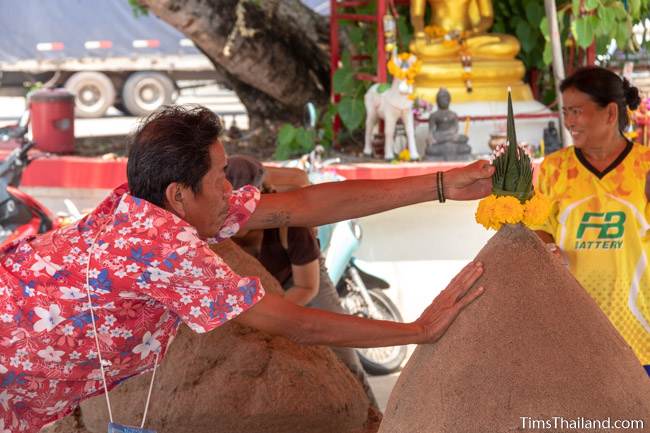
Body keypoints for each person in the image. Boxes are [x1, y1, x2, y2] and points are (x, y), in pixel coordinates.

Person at [0, 104, 493, 433]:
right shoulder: (163, 246)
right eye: (217, 175)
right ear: (179, 194)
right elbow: (293, 323)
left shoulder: (153, 205)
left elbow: (297, 206)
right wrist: (418, 329)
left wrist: (443, 184)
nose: (227, 187)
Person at [225, 154, 379, 408]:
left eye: (243, 209)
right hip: (255, 293)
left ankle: (373, 416)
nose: (234, 220)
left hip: (299, 282)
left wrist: (271, 316)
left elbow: (307, 287)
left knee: (342, 353)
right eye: (228, 209)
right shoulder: (209, 225)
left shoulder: (289, 221)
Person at [531, 66, 650, 376]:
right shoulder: (553, 169)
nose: (569, 121)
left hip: (641, 331)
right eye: (566, 112)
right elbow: (539, 227)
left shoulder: (645, 167)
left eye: (576, 111)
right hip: (575, 329)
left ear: (610, 113)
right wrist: (547, 248)